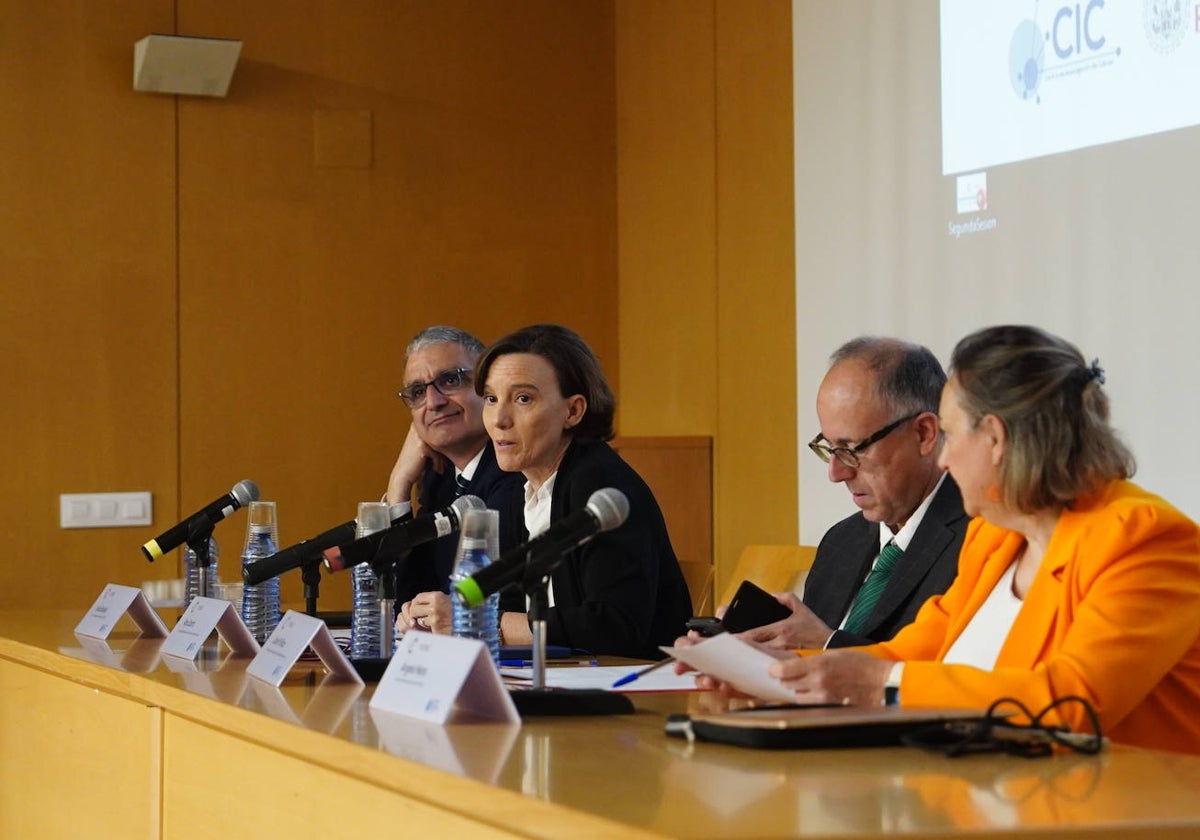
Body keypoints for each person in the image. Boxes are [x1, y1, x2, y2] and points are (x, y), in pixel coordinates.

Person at [698, 325, 1200, 754]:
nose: (941, 459)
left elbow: (1073, 701)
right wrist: (772, 671)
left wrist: (879, 687)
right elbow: (911, 654)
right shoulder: (993, 537)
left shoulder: (1146, 539)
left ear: (996, 441)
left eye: (952, 437)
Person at [402, 323, 693, 659]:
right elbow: (508, 600)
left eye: (523, 399)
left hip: (634, 691)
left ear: (573, 411)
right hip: (562, 677)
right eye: (492, 399)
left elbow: (613, 627)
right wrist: (445, 616)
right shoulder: (528, 488)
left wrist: (484, 624)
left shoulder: (597, 484)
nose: (499, 419)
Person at [736, 337, 967, 649]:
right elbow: (805, 656)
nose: (836, 473)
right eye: (829, 448)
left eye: (851, 450)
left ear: (923, 433)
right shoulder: (841, 542)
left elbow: (941, 673)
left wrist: (828, 645)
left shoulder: (979, 540)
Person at [387, 326, 523, 630]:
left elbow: (480, 599)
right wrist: (398, 485)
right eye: (418, 392)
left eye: (450, 380)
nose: (433, 402)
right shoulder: (441, 478)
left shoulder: (515, 471)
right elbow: (403, 602)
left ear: (488, 389)